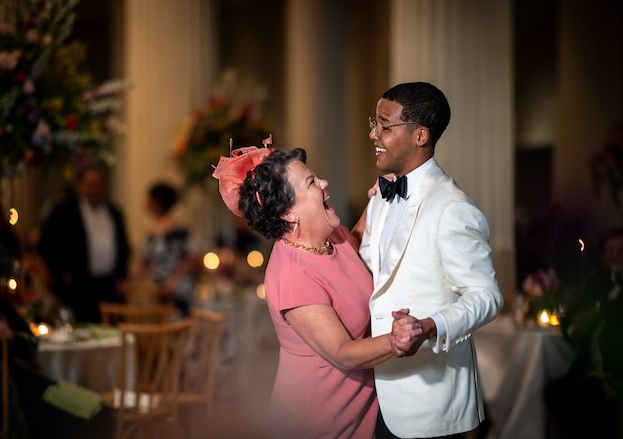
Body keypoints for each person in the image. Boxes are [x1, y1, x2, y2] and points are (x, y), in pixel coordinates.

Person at [212, 144, 422, 439]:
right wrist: (395, 341)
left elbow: (354, 249)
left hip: (360, 408)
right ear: (288, 213)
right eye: (311, 183)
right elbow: (342, 352)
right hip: (318, 419)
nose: (324, 183)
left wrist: (378, 202)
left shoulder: (330, 235)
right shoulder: (293, 276)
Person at [358, 82, 504, 439]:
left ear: (420, 135)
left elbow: (487, 296)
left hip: (431, 400)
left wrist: (429, 326)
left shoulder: (452, 208)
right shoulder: (380, 196)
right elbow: (369, 273)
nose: (374, 134)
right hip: (376, 392)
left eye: (384, 126)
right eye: (374, 124)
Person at [0, 240, 112, 439]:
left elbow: (32, 343)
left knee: (100, 411)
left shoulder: (1, 308)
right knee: (66, 422)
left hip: (27, 385)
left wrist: (10, 336)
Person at [545, 227, 623, 438]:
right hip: (589, 366)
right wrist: (574, 328)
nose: (615, 255)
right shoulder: (596, 281)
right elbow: (572, 315)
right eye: (610, 250)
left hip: (617, 369)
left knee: (588, 399)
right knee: (554, 392)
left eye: (620, 250)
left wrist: (598, 310)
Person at [37, 164, 130, 323]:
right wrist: (61, 273)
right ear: (81, 185)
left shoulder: (114, 212)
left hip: (109, 286)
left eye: (98, 185)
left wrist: (122, 276)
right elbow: (46, 244)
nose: (94, 190)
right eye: (90, 185)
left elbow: (123, 246)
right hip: (79, 287)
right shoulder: (64, 211)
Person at [132, 182, 197, 317]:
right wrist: (131, 282)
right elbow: (144, 262)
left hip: (177, 290)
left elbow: (190, 258)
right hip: (159, 290)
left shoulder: (178, 229)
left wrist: (173, 282)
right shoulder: (152, 231)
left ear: (158, 202)